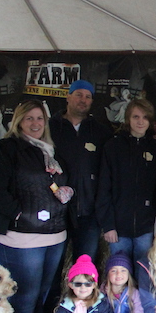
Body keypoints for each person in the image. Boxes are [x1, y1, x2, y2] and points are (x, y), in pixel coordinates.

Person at [0, 98, 74, 313]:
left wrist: (66, 191)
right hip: (19, 237)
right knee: (24, 297)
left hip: (53, 235)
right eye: (29, 118)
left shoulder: (51, 150)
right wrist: (19, 214)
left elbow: (53, 185)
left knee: (43, 295)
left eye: (39, 119)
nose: (35, 124)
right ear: (19, 121)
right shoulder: (6, 149)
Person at [96, 98, 156, 263]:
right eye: (136, 117)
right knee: (121, 275)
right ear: (128, 119)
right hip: (118, 228)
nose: (140, 121)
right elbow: (103, 188)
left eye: (145, 117)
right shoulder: (113, 147)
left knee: (144, 272)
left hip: (146, 228)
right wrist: (108, 225)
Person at [48, 79, 113, 259]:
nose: (83, 100)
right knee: (53, 266)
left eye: (87, 96)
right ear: (68, 97)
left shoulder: (101, 132)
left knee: (84, 265)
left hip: (88, 212)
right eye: (78, 95)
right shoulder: (50, 128)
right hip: (56, 210)